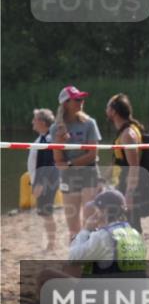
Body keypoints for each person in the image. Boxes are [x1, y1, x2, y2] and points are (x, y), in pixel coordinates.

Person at [51, 86, 101, 241]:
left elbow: (92, 155)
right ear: (65, 103)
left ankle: (92, 261)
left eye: (82, 98)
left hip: (89, 173)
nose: (81, 101)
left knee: (90, 223)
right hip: (68, 178)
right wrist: (59, 141)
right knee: (73, 228)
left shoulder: (89, 123)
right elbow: (59, 162)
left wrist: (71, 164)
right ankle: (76, 260)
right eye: (77, 99)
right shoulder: (55, 129)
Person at [106, 94, 148, 233]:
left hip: (130, 186)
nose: (105, 110)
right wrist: (103, 178)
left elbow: (134, 166)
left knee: (133, 227)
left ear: (113, 111)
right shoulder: (124, 131)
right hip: (123, 184)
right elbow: (119, 160)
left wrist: (129, 194)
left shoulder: (128, 134)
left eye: (108, 106)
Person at [29, 109, 58, 252]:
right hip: (40, 180)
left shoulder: (48, 139)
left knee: (47, 213)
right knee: (45, 213)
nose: (32, 122)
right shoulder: (42, 138)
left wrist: (40, 183)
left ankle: (51, 244)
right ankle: (51, 242)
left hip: (46, 181)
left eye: (34, 119)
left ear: (41, 121)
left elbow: (48, 163)